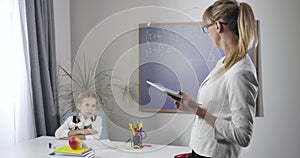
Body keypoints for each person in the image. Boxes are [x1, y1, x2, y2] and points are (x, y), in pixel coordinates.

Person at [173, 0, 258, 157]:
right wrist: (191, 105)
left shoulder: (241, 72)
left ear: (218, 26)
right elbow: (218, 108)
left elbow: (243, 135)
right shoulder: (223, 63)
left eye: (207, 28)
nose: (208, 33)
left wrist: (199, 111)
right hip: (201, 149)